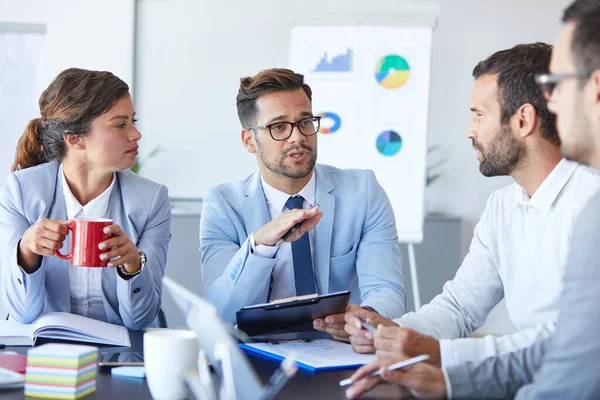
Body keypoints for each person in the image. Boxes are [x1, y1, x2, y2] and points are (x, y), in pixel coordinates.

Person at [346, 0, 600, 398]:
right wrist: (393, 330)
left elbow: (564, 341)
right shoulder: (503, 207)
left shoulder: (589, 203)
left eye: (478, 115)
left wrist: (444, 356)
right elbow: (461, 306)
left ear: (523, 120)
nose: (469, 130)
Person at [200, 68, 406, 330]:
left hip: (341, 347)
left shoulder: (362, 192)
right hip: (256, 352)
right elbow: (223, 310)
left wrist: (363, 318)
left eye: (305, 122)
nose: (297, 137)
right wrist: (260, 245)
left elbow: (387, 291)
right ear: (250, 141)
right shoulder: (222, 204)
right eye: (279, 127)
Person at [0, 68, 171, 330]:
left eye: (133, 121)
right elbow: (23, 313)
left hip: (119, 352)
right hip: (46, 349)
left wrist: (133, 265)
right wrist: (26, 251)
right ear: (75, 139)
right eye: (120, 124)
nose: (136, 134)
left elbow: (141, 319)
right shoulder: (22, 191)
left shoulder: (151, 200)